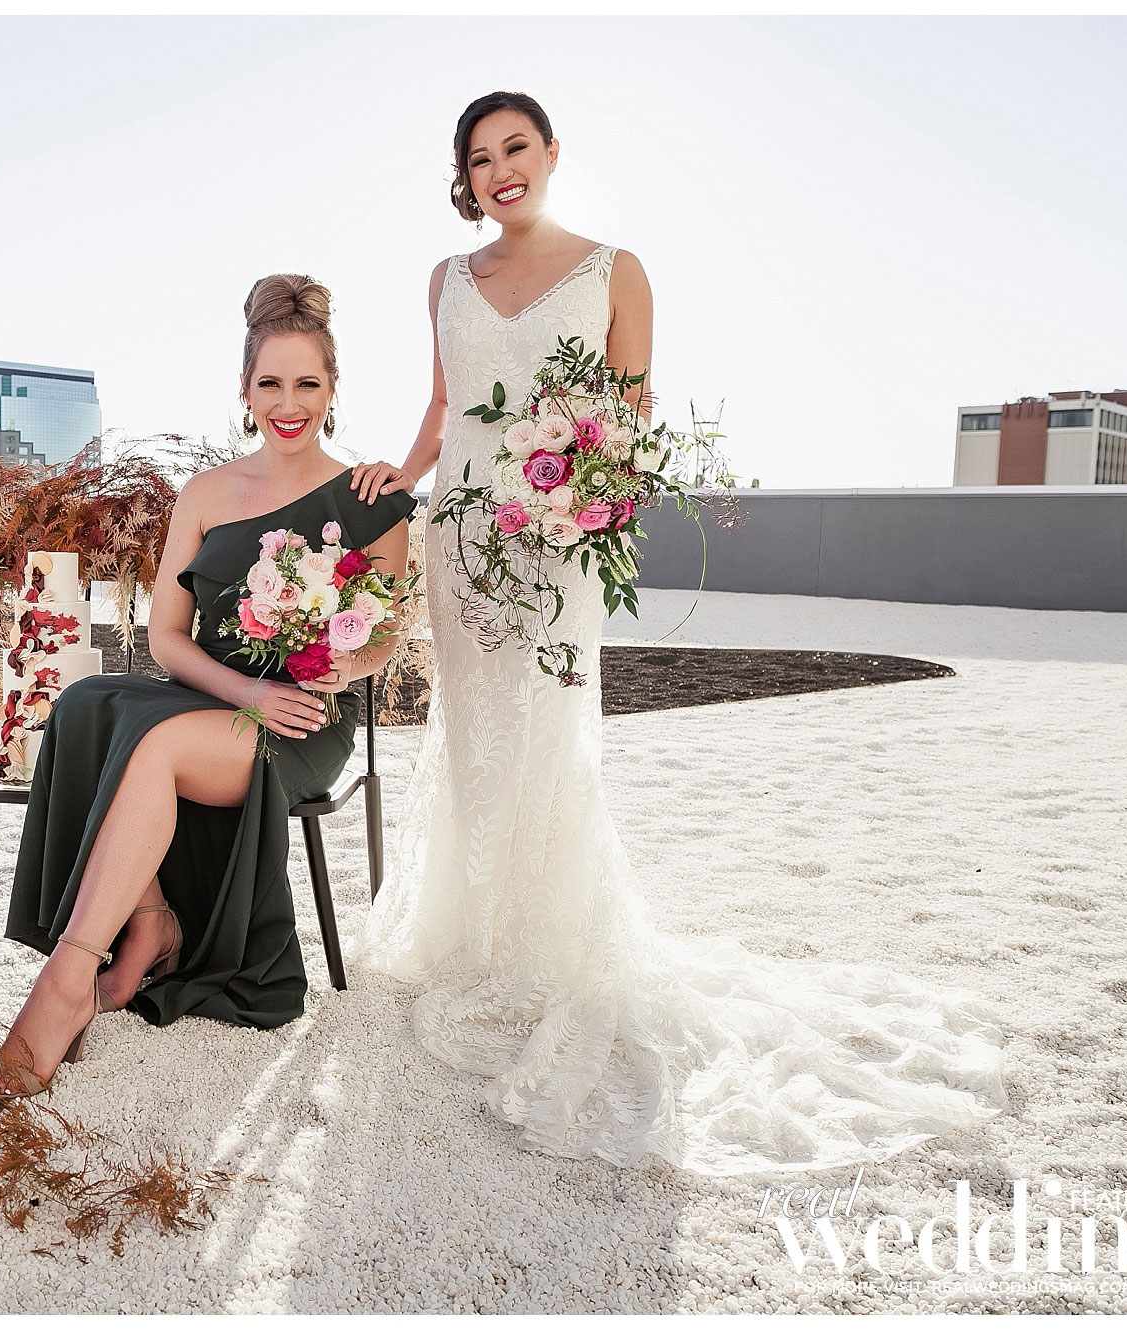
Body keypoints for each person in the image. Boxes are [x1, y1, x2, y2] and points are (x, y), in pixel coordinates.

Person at [346, 92, 1009, 1173]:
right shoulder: (444, 278)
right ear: (463, 177)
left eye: (517, 148)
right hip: (460, 535)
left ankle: (543, 949)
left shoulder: (616, 270)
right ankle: (470, 939)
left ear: (551, 153)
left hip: (554, 540)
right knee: (475, 735)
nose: (501, 169)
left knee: (547, 735)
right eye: (480, 157)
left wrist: (581, 509)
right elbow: (444, 405)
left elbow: (630, 416)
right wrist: (401, 471)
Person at [0, 274, 418, 1098]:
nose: (288, 404)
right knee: (84, 704)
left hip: (302, 717)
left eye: (308, 383)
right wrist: (243, 692)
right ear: (244, 390)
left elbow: (386, 634)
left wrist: (341, 664)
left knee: (153, 742)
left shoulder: (373, 500)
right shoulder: (208, 493)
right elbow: (166, 639)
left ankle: (64, 986)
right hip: (221, 694)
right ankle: (151, 921)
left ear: (333, 388)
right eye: (270, 383)